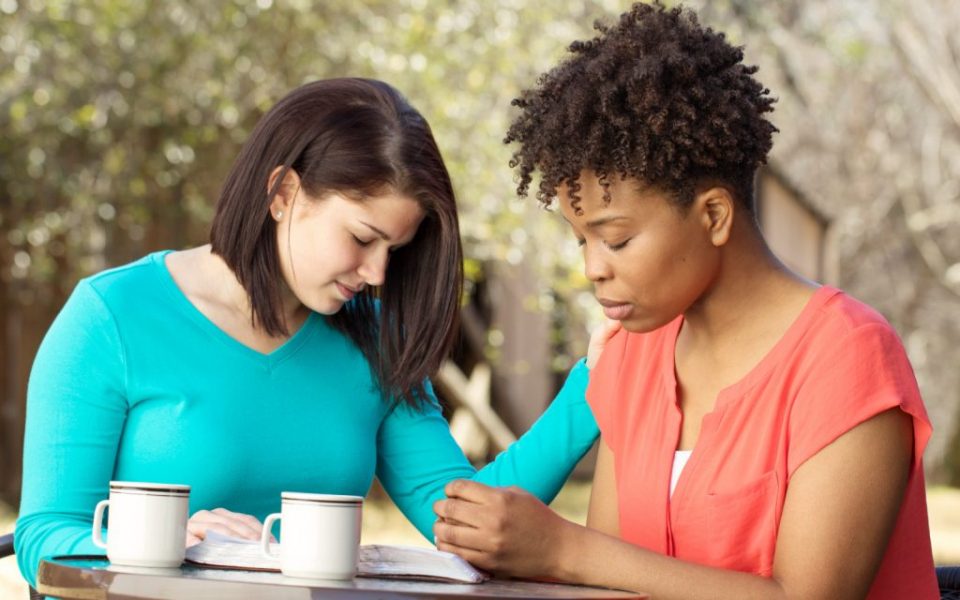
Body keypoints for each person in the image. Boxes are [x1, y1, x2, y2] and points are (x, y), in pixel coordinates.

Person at [14, 77, 607, 587]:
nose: (377, 273)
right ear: (284, 194)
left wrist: (596, 384)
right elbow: (43, 534)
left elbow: (469, 523)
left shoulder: (375, 341)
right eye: (361, 238)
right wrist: (172, 539)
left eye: (394, 251)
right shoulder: (112, 316)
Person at [432, 4, 939, 598]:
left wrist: (564, 550)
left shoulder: (846, 358)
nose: (593, 268)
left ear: (714, 216)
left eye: (616, 238)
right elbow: (609, 584)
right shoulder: (632, 355)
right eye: (582, 240)